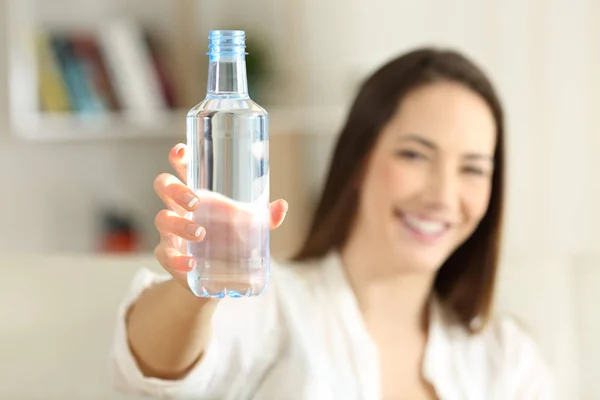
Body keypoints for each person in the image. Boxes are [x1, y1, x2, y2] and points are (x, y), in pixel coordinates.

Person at [110, 48, 554, 399]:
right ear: (359, 160)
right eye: (415, 155)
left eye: (473, 168)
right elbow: (151, 370)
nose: (442, 195)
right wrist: (195, 290)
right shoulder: (274, 305)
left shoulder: (506, 358)